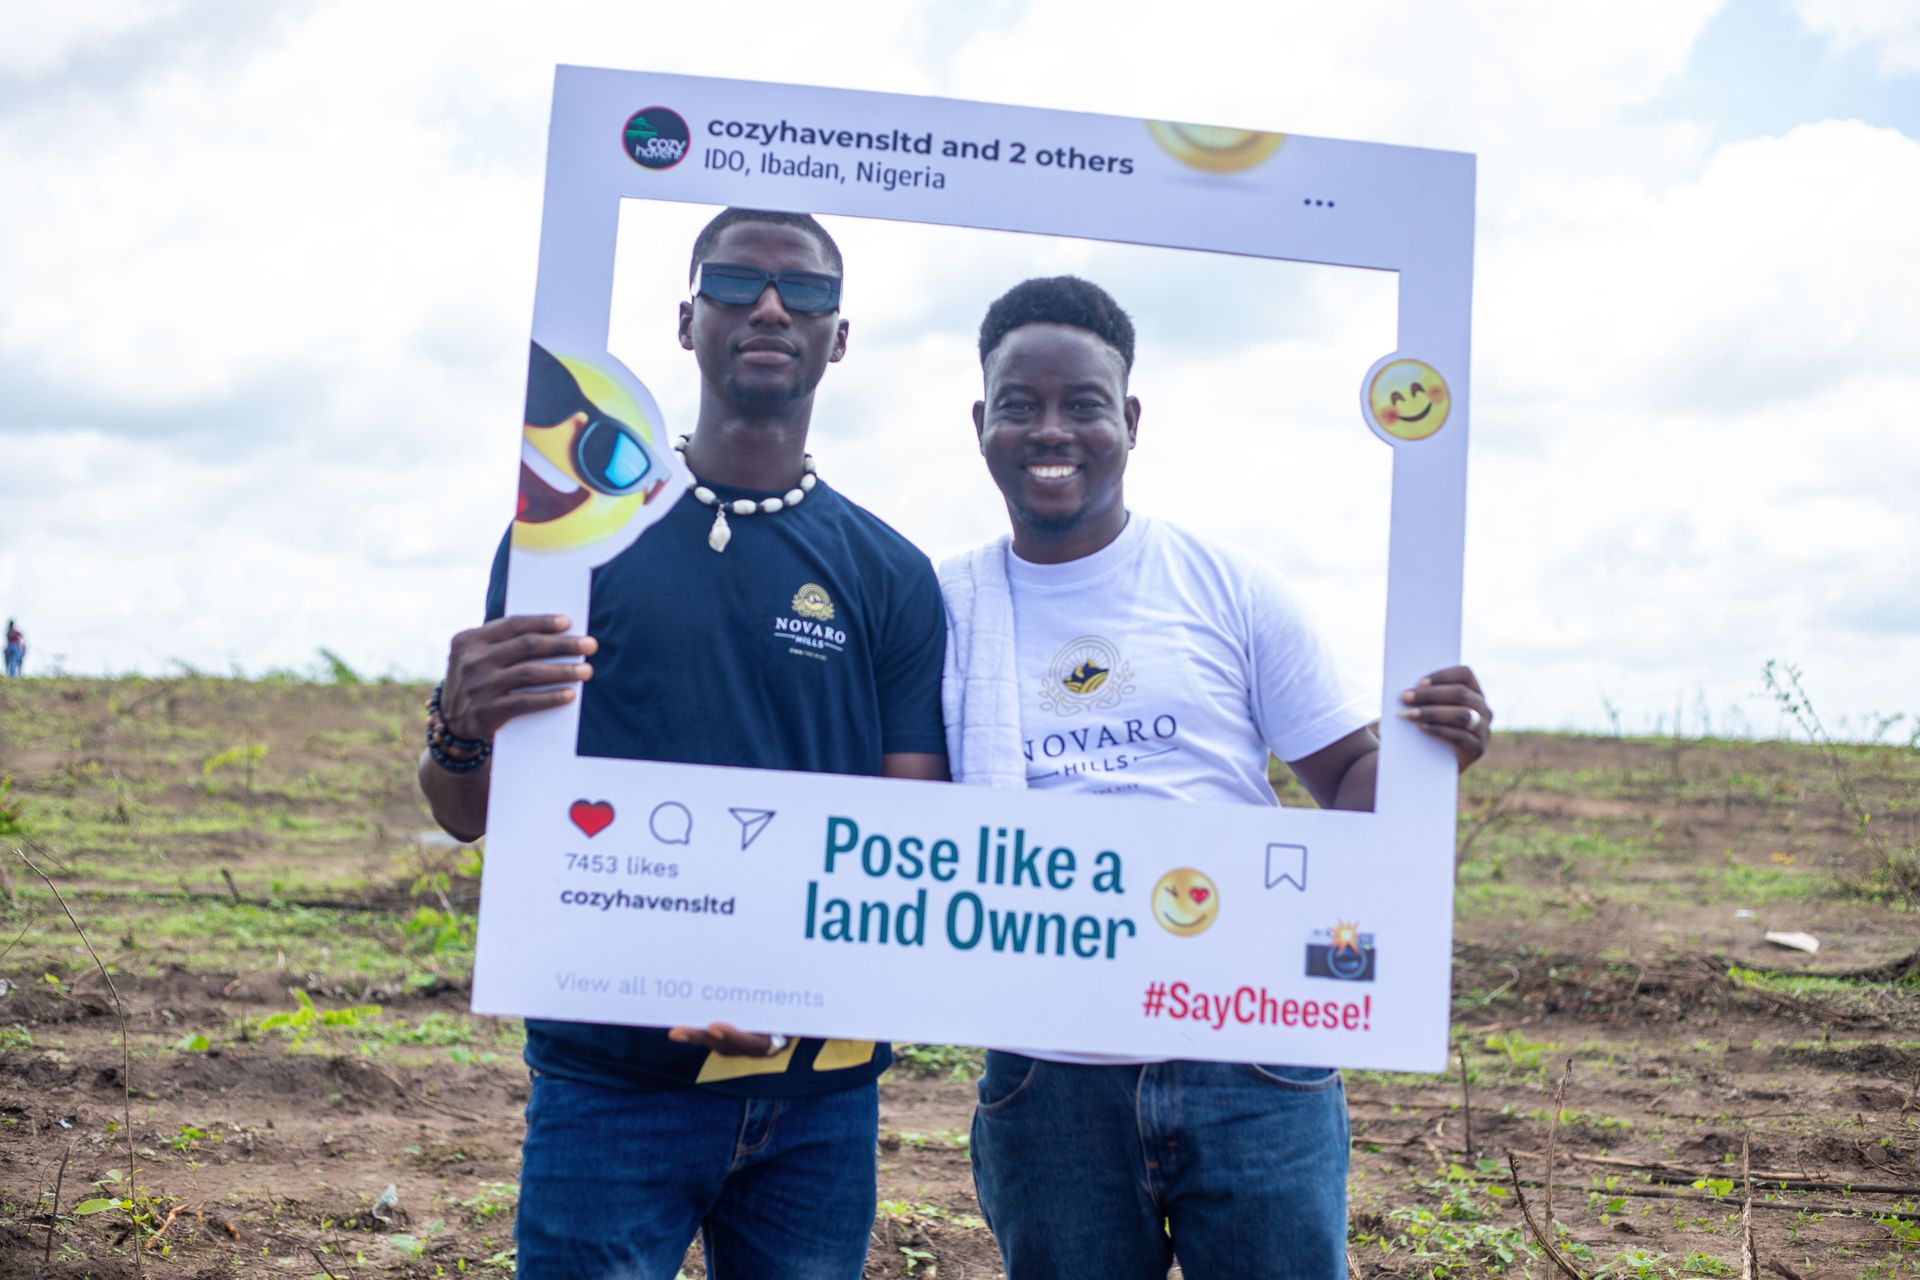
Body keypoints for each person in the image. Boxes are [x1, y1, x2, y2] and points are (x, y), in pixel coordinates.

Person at [420, 208, 949, 1280]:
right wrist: (457, 721)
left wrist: (793, 990)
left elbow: (911, 841)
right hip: (611, 1082)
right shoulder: (570, 541)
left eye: (803, 292)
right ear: (685, 319)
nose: (768, 306)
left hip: (818, 1096)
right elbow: (465, 811)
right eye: (736, 281)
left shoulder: (890, 572)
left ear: (836, 338)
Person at [940, 276, 1494, 1280]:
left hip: (1251, 1053)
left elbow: (1349, 779)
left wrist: (1430, 756)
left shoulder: (1226, 587)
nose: (1051, 428)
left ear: (1132, 420)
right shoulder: (940, 609)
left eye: (1084, 404)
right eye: (1020, 405)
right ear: (982, 422)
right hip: (1048, 1073)